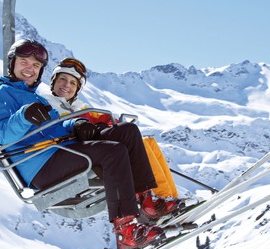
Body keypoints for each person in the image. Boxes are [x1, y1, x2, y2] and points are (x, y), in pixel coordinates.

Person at [0, 39, 180, 249]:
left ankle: (147, 201)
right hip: (40, 164)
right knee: (112, 151)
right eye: (24, 62)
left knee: (127, 132)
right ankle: (126, 232)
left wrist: (76, 124)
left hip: (63, 151)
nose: (30, 69)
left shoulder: (37, 97)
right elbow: (0, 134)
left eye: (36, 66)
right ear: (12, 63)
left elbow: (57, 125)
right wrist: (24, 115)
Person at [43, 57, 179, 199]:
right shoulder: (46, 105)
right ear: (53, 81)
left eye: (73, 83)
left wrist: (103, 125)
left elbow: (107, 120)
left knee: (146, 142)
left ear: (77, 89)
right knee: (136, 145)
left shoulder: (81, 107)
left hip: (93, 144)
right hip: (76, 152)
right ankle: (160, 197)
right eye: (62, 79)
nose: (67, 85)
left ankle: (172, 197)